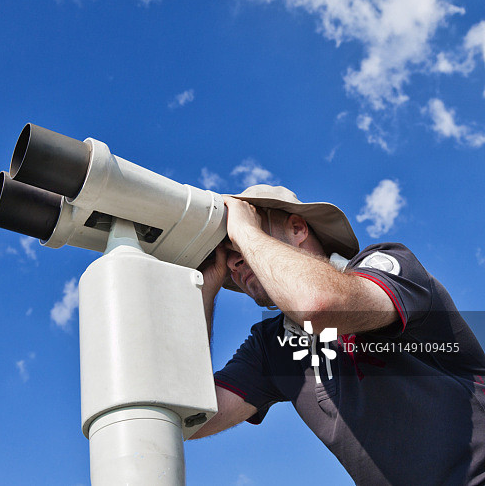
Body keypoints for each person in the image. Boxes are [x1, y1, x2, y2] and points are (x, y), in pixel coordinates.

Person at [190, 184, 485, 485]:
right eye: (225, 252)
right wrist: (202, 284)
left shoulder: (387, 266)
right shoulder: (270, 344)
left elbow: (319, 305)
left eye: (247, 228)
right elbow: (190, 415)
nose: (232, 261)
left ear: (297, 227)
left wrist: (245, 231)